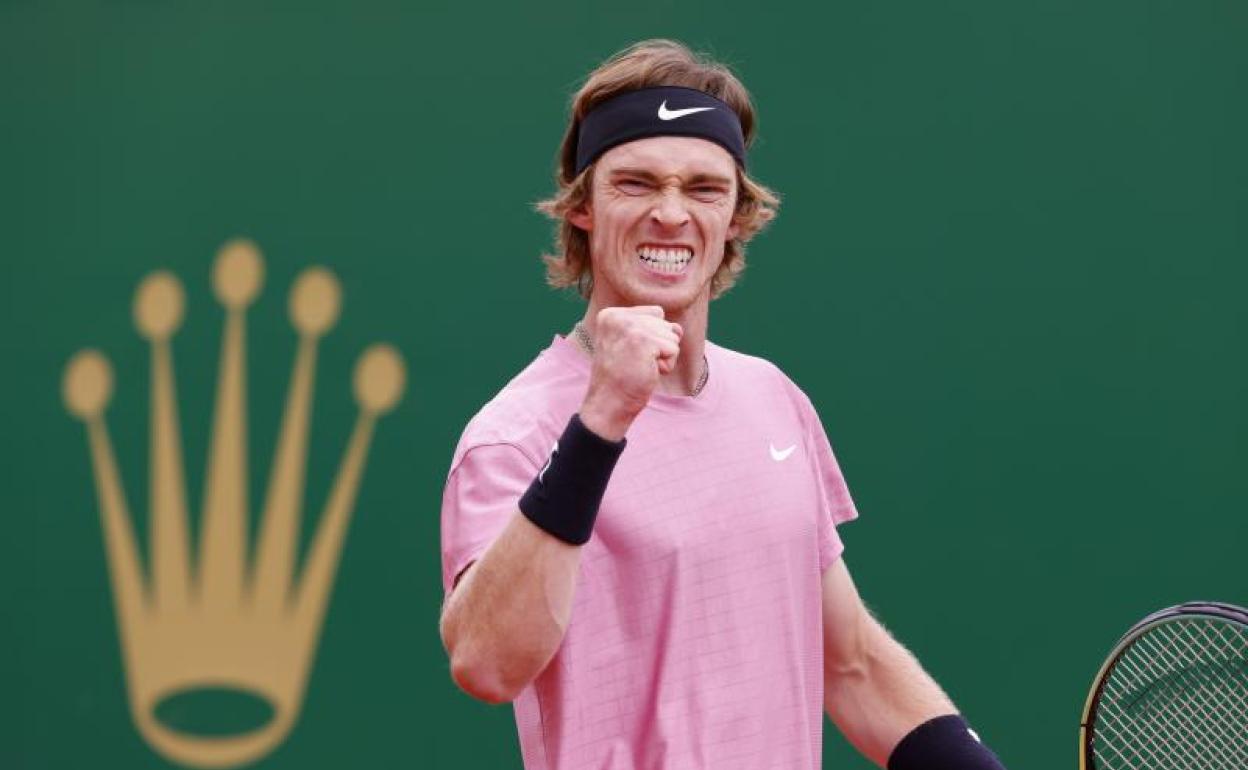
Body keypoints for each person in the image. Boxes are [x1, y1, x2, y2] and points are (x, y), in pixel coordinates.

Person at [438, 39, 1007, 770]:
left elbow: (849, 664)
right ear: (582, 208)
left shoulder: (774, 400)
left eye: (703, 188)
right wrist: (603, 418)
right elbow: (486, 664)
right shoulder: (514, 435)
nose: (670, 214)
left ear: (737, 214)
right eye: (636, 183)